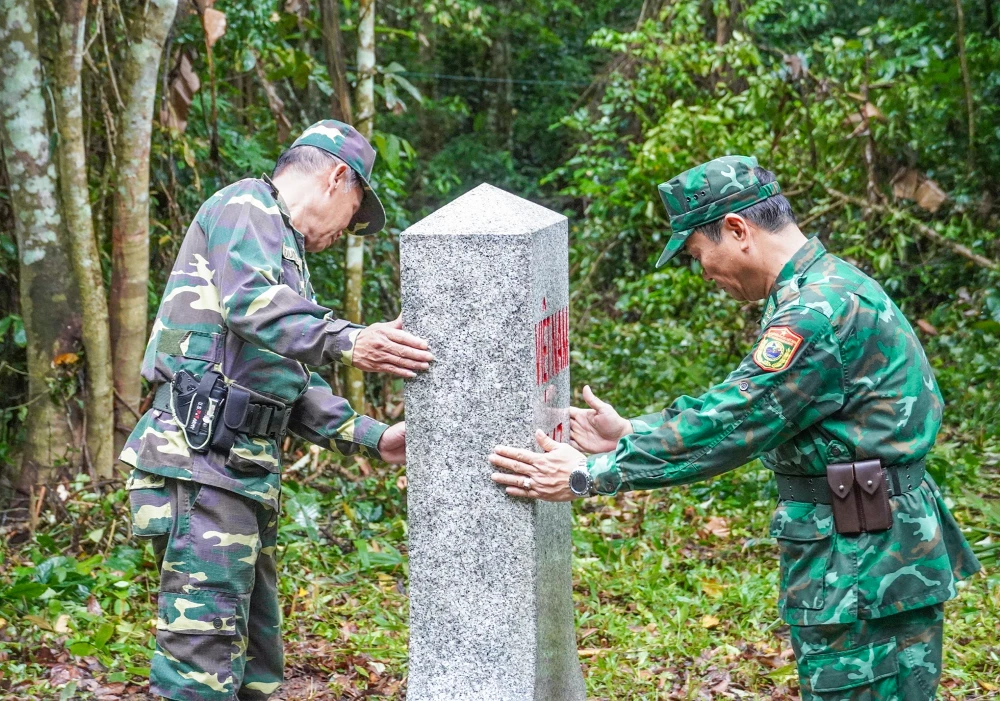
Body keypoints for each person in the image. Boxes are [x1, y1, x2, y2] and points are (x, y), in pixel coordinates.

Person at [489, 155, 981, 700]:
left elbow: (734, 422)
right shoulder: (828, 284)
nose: (705, 273)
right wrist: (631, 431)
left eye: (701, 255)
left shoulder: (814, 313)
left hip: (864, 563)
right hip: (871, 546)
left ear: (737, 230)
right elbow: (749, 408)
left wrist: (590, 474)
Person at [121, 120, 433, 701]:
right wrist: (348, 338)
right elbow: (252, 307)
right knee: (200, 672)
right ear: (338, 177)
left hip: (238, 475)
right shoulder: (246, 206)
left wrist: (374, 437)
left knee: (255, 672)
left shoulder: (281, 246)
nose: (347, 232)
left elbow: (282, 380)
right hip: (200, 463)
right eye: (355, 213)